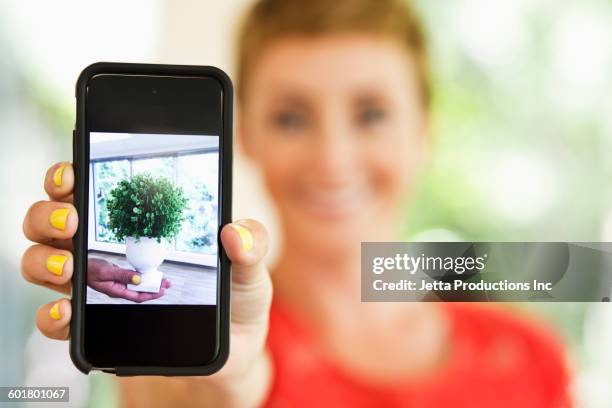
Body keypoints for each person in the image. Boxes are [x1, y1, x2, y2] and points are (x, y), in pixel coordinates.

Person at [20, 0, 571, 406]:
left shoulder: (531, 356)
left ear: (424, 128)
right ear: (247, 135)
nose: (332, 159)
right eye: (291, 117)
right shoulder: (196, 346)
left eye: (371, 113)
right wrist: (225, 382)